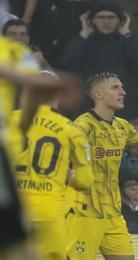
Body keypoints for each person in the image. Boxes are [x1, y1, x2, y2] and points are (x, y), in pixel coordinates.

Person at [65, 72, 138, 260]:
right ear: (98, 95)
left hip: (113, 215)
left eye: (122, 87)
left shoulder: (121, 126)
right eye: (115, 87)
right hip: (84, 214)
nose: (123, 92)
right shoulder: (82, 126)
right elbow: (60, 159)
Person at [14, 71, 93, 260]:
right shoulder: (72, 131)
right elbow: (85, 181)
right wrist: (67, 175)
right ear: (58, 94)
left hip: (12, 212)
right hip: (49, 213)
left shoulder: (7, 120)